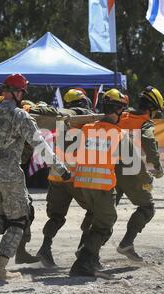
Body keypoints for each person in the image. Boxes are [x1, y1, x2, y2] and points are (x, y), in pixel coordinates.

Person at [0, 74, 71, 281]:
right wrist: (61, 169)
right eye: (22, 92)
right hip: (10, 175)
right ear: (18, 92)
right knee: (19, 220)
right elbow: (40, 144)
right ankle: (0, 269)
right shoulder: (20, 116)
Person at [69, 89, 130, 277]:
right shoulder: (119, 133)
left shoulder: (86, 129)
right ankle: (84, 260)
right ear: (118, 110)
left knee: (97, 220)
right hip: (102, 186)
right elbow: (126, 160)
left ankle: (90, 257)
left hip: (83, 185)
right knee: (105, 224)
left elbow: (75, 153)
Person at [36, 89, 95, 268]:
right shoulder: (78, 115)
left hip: (57, 175)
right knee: (95, 211)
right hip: (75, 177)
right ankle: (83, 249)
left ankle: (45, 248)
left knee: (56, 217)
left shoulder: (61, 122)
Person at [115, 86, 164, 262]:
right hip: (131, 172)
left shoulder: (122, 115)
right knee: (147, 208)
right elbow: (149, 142)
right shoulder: (145, 123)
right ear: (151, 109)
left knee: (103, 212)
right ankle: (126, 244)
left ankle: (87, 251)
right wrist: (158, 166)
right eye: (156, 112)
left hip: (110, 168)